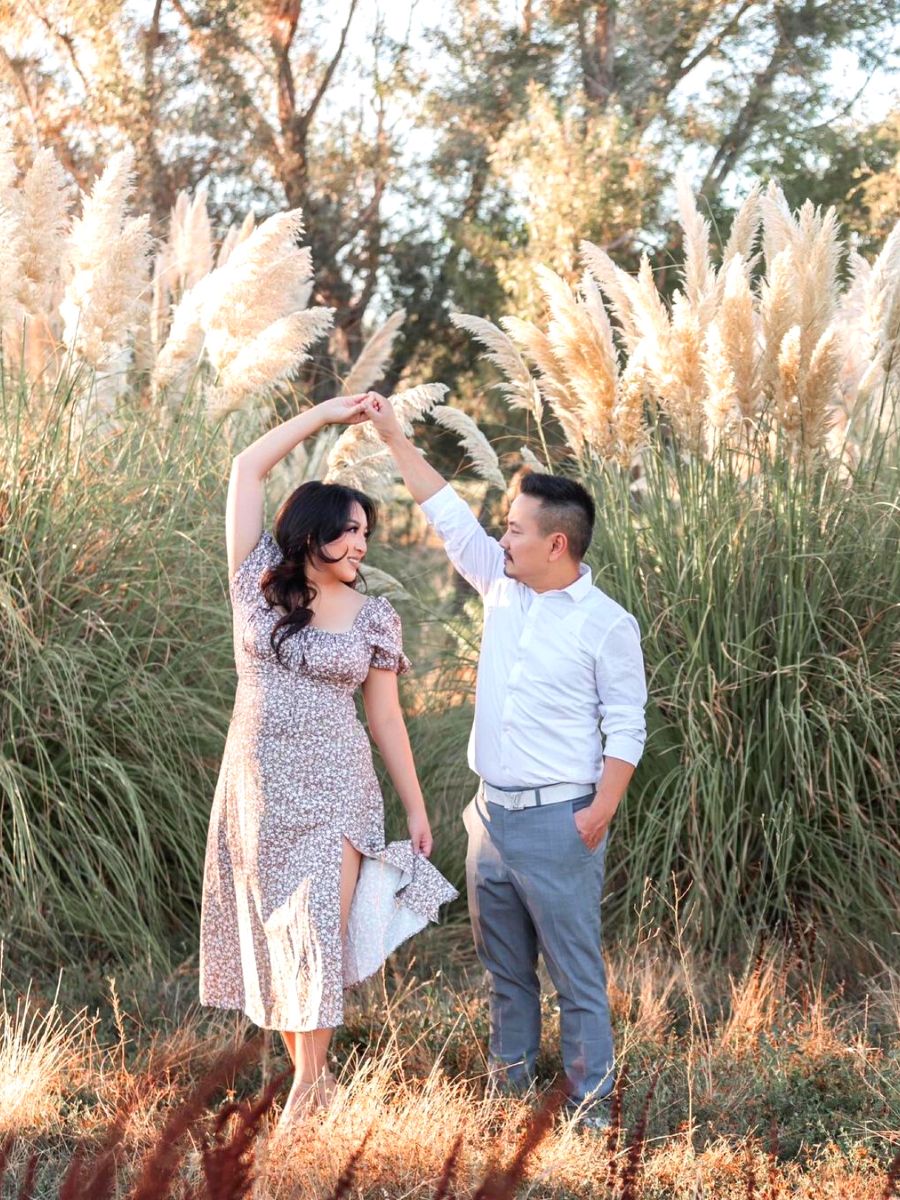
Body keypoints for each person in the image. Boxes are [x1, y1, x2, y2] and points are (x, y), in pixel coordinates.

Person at [362, 391, 647, 1128]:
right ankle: (510, 1095)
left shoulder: (607, 624)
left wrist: (599, 812)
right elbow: (446, 512)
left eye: (514, 529)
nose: (502, 537)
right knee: (505, 974)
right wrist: (395, 438)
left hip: (563, 821)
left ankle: (590, 1113)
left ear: (556, 543)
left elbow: (626, 725)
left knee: (577, 978)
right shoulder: (501, 587)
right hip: (490, 817)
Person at [199, 393, 458, 1128]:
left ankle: (305, 1096)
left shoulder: (375, 614)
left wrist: (413, 805)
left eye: (366, 536)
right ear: (310, 533)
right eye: (348, 533)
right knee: (281, 944)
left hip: (337, 791)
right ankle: (317, 1083)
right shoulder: (254, 579)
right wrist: (325, 415)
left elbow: (386, 718)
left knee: (315, 931)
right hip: (255, 789)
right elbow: (248, 468)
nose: (361, 548)